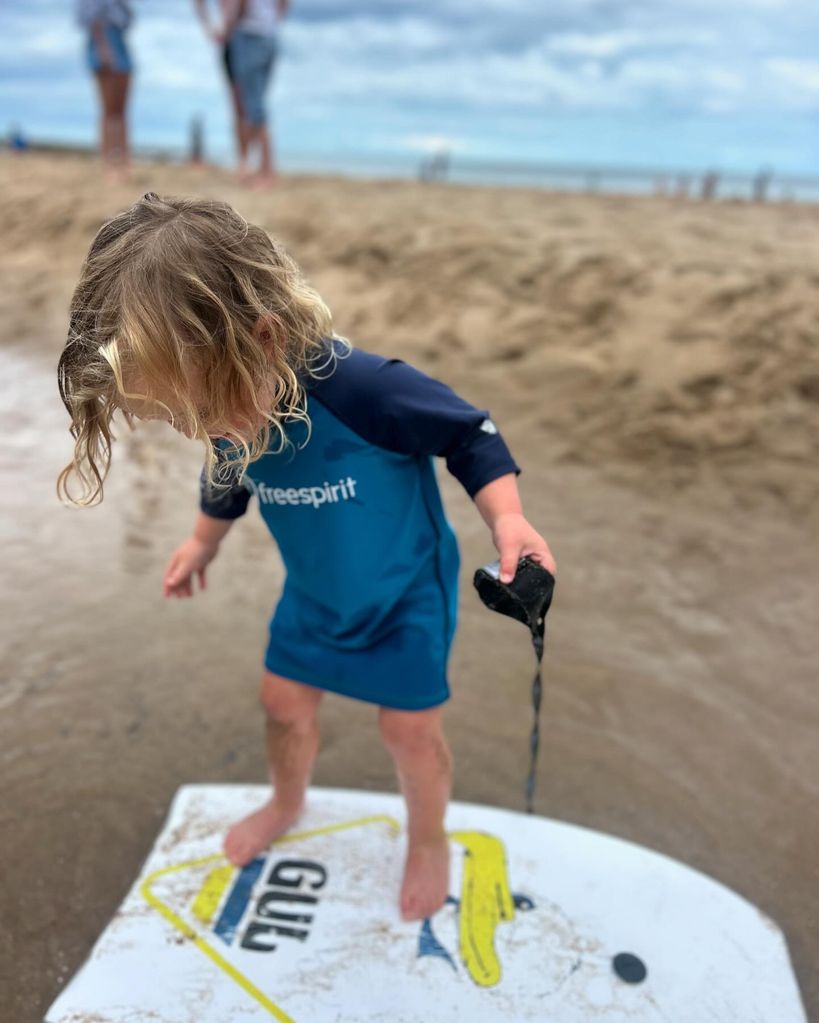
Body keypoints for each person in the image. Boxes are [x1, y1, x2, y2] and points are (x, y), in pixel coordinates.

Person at [57, 193, 556, 921]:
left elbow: (470, 433)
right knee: (282, 705)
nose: (205, 432)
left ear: (262, 338)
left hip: (403, 596)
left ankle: (425, 838)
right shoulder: (231, 410)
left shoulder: (363, 388)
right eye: (180, 420)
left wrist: (507, 519)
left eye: (201, 411)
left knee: (408, 729)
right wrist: (203, 540)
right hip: (314, 598)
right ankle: (287, 800)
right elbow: (226, 474)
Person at [195, 0, 287, 185]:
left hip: (247, 35)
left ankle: (264, 171)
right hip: (266, 34)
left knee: (251, 106)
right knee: (251, 105)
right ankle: (249, 165)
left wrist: (225, 28)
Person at [77, 0, 133, 181]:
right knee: (109, 111)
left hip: (119, 38)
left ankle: (124, 165)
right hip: (104, 38)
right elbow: (91, 15)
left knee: (121, 112)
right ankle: (109, 166)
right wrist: (103, 48)